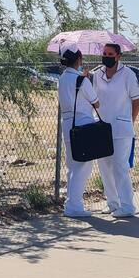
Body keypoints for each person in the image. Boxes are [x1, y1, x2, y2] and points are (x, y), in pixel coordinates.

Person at [89, 43, 139, 218]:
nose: (106, 56)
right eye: (104, 53)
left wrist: (130, 121)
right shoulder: (97, 75)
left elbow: (136, 99)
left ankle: (127, 205)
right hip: (102, 127)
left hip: (121, 128)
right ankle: (112, 203)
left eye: (110, 53)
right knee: (105, 167)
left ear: (118, 56)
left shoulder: (128, 75)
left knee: (120, 166)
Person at [56, 47, 101, 218]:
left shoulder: (61, 79)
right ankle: (74, 206)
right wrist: (87, 79)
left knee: (72, 165)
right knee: (83, 167)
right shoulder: (82, 81)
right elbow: (96, 104)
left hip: (67, 125)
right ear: (79, 59)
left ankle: (71, 203)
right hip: (83, 125)